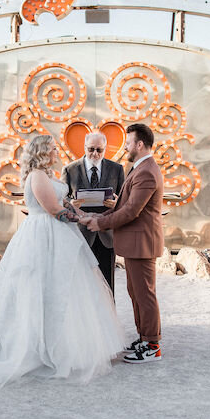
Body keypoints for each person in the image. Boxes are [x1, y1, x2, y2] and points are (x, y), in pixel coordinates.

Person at [0, 134, 123, 387]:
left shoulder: (48, 175)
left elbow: (66, 203)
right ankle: (36, 347)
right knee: (40, 288)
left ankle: (65, 343)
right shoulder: (37, 176)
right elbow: (54, 211)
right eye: (53, 148)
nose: (57, 151)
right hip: (43, 236)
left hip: (59, 236)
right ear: (41, 151)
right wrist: (82, 220)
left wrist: (81, 212)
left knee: (64, 290)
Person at [83, 123, 165, 363]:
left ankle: (152, 345)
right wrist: (102, 217)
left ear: (139, 144)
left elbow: (131, 211)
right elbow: (125, 206)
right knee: (136, 293)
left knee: (145, 295)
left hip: (142, 244)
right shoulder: (140, 168)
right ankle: (143, 338)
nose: (125, 147)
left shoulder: (147, 171)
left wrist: (101, 223)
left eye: (128, 143)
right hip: (135, 243)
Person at [63, 131, 126, 297]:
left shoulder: (117, 169)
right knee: (81, 283)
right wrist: (71, 203)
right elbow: (62, 199)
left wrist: (117, 203)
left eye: (99, 150)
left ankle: (109, 319)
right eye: (91, 149)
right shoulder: (70, 170)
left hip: (107, 234)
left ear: (105, 149)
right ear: (84, 147)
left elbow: (124, 199)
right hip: (81, 233)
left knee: (107, 283)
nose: (95, 154)